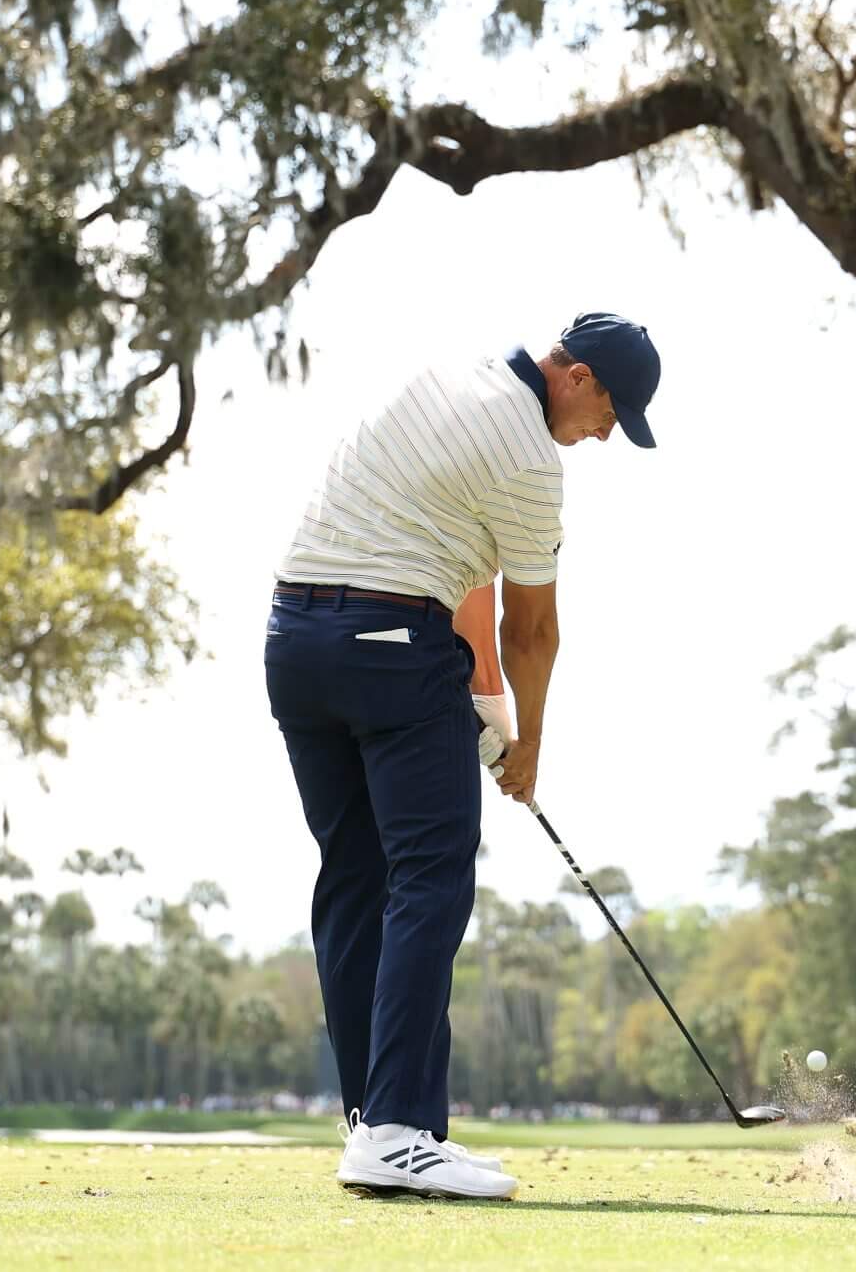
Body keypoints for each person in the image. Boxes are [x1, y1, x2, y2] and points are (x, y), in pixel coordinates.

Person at [268, 313, 662, 1201]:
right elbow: (532, 629)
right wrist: (528, 741)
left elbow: (462, 576)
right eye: (611, 413)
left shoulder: (451, 373)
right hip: (388, 648)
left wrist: (481, 704)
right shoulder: (530, 456)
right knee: (432, 877)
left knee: (357, 875)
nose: (604, 434)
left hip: (296, 642)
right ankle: (401, 1127)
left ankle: (378, 1124)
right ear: (580, 377)